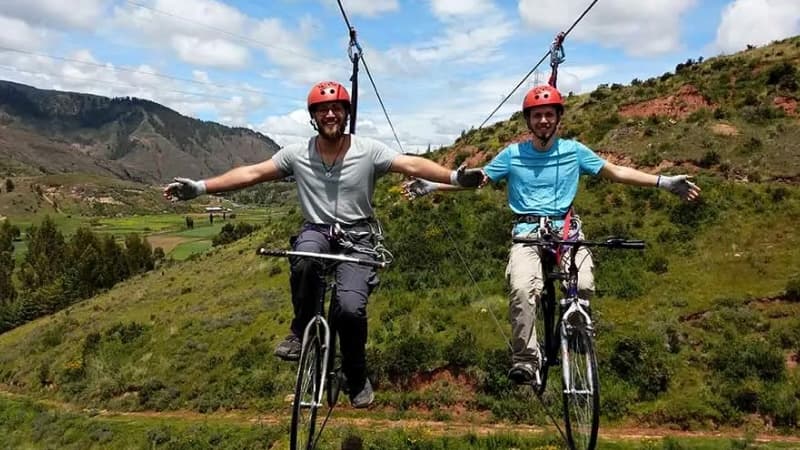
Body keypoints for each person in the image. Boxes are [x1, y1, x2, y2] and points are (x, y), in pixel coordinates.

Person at [164, 80, 482, 407]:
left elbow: (411, 164)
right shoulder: (297, 154)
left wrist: (454, 178)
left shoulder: (368, 150)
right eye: (322, 109)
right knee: (304, 258)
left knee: (349, 309)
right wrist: (201, 187)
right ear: (313, 117)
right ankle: (301, 331)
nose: (330, 114)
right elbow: (252, 173)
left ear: (346, 113)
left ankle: (356, 373)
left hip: (357, 237)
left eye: (336, 108)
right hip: (316, 229)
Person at [402, 84, 700, 384]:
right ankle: (527, 360)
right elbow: (476, 180)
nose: (543, 121)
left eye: (548, 114)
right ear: (528, 121)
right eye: (537, 116)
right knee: (521, 288)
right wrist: (432, 185)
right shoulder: (513, 154)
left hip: (566, 230)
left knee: (583, 284)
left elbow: (617, 172)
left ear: (558, 118)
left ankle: (572, 332)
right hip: (527, 233)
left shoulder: (574, 151)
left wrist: (663, 182)